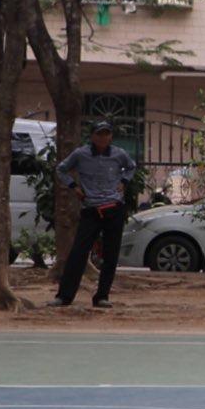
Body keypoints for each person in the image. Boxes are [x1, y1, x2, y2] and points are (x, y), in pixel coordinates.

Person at [52, 121, 137, 309]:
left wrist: (124, 181)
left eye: (106, 134)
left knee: (111, 254)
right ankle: (64, 296)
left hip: (114, 208)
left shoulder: (119, 154)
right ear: (92, 136)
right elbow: (61, 169)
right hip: (91, 209)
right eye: (99, 134)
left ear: (111, 136)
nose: (103, 138)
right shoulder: (81, 154)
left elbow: (131, 166)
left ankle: (102, 296)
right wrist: (74, 187)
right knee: (78, 253)